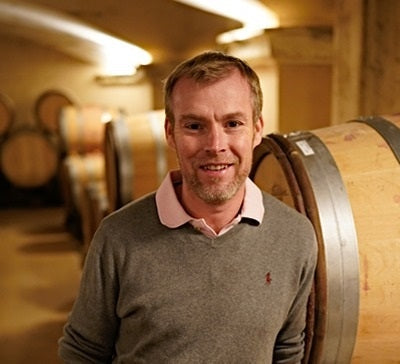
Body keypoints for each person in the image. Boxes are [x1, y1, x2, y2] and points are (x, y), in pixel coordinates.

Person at [58, 51, 317, 363]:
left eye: (233, 123)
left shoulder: (296, 236)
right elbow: (83, 351)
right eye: (195, 126)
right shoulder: (118, 236)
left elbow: (287, 350)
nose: (215, 145)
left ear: (257, 129)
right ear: (171, 133)